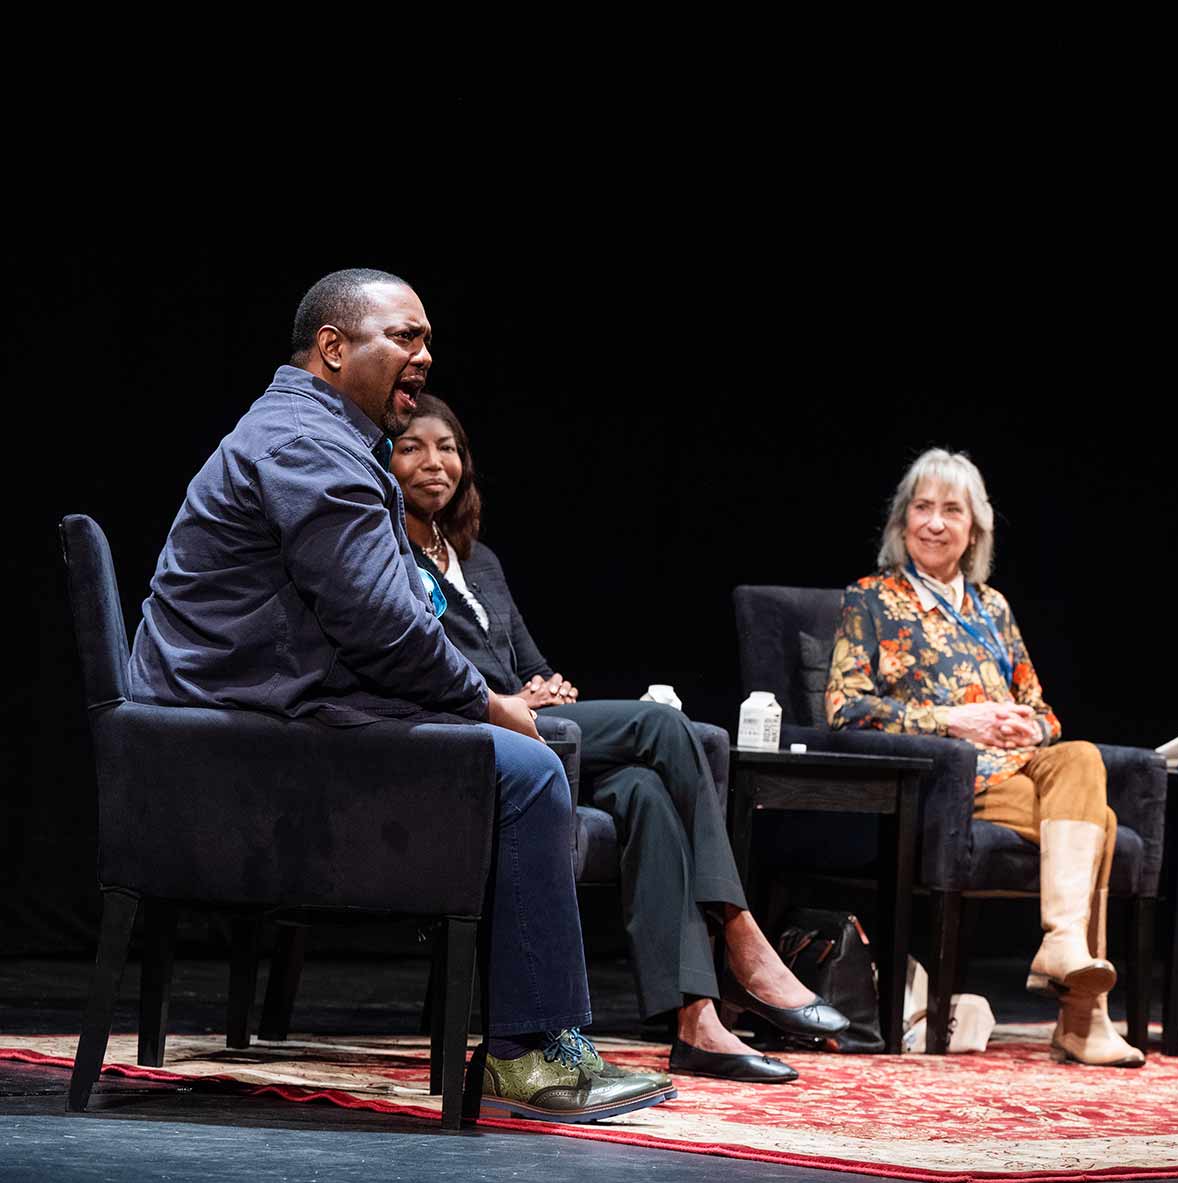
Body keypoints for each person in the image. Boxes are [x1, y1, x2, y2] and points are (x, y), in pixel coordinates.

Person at [127, 269, 672, 1122]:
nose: (425, 354)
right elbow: (386, 629)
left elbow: (378, 626)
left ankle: (541, 1039)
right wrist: (489, 704)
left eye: (425, 338)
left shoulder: (316, 434)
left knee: (530, 754)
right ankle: (529, 1053)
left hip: (257, 712)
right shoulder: (309, 449)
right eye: (405, 337)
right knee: (524, 768)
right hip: (237, 741)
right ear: (334, 348)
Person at [388, 394, 848, 1084]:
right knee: (663, 724)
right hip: (473, 731)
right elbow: (429, 666)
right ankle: (738, 927)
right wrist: (518, 699)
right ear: (383, 460)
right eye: (412, 447)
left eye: (448, 447)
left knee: (644, 792)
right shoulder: (384, 547)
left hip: (541, 727)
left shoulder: (476, 559)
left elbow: (532, 662)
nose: (435, 462)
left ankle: (697, 1021)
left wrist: (548, 687)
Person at [825, 448, 1144, 1068]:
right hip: (952, 778)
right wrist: (955, 720)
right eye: (923, 508)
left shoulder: (992, 608)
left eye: (952, 510)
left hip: (1020, 766)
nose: (935, 523)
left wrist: (1026, 724)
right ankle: (1084, 1018)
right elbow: (845, 707)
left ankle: (1062, 945)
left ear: (975, 529)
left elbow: (1044, 711)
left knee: (1079, 756)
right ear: (901, 521)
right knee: (1099, 823)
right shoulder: (871, 599)